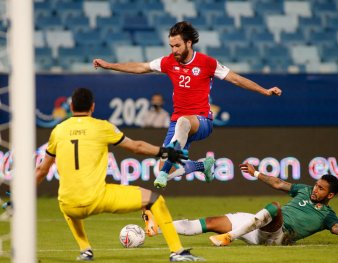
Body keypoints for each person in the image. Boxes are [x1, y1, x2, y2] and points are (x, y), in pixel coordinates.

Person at [93, 21, 282, 189]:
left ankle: (165, 173)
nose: (174, 50)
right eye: (171, 46)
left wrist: (264, 90)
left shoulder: (207, 63)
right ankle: (201, 165)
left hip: (202, 121)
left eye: (177, 45)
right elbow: (141, 67)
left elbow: (235, 79)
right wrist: (109, 65)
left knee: (183, 126)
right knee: (159, 165)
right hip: (177, 124)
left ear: (189, 43)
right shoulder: (168, 62)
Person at [35, 88, 204, 262]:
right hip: (98, 198)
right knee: (155, 200)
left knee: (67, 202)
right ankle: (177, 252)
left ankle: (85, 250)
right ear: (92, 107)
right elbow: (135, 147)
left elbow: (41, 170)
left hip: (69, 205)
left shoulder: (58, 131)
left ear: (71, 106)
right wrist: (164, 152)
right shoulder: (102, 127)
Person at [144, 163, 338, 246]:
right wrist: (257, 173)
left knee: (274, 207)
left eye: (321, 189)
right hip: (257, 224)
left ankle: (228, 238)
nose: (315, 189)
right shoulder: (305, 190)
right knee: (211, 221)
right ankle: (158, 227)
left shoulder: (327, 215)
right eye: (316, 185)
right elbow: (279, 183)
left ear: (330, 196)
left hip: (278, 235)